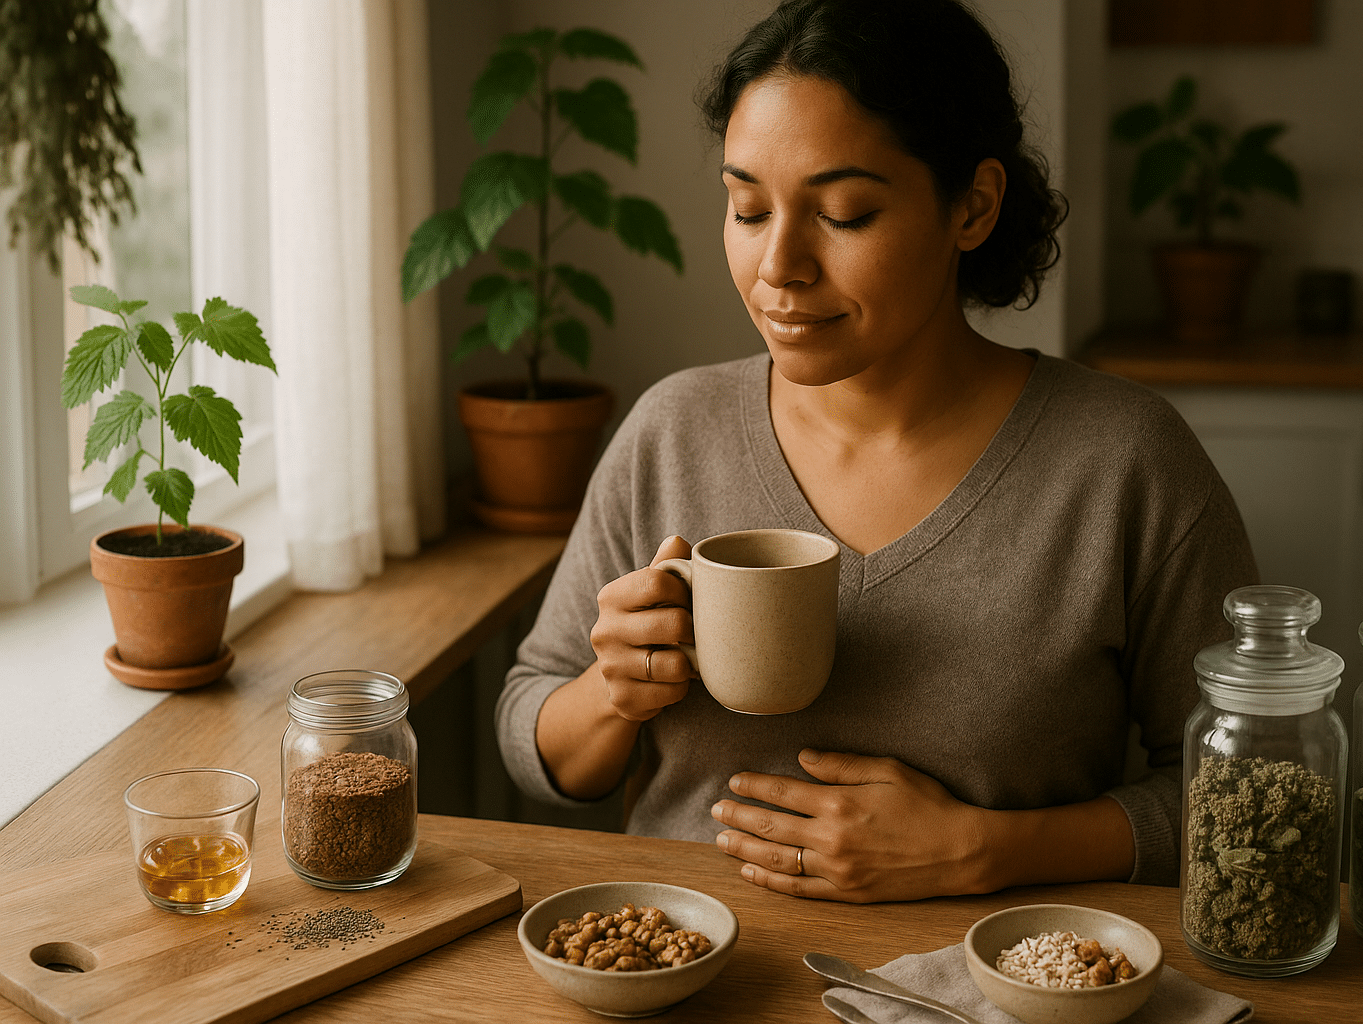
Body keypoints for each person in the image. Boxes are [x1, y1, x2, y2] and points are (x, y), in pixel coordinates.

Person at [497, 0, 1258, 903]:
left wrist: (989, 850)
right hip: (688, 974)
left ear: (972, 207)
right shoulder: (673, 429)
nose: (778, 264)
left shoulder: (1126, 460)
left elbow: (1244, 792)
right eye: (746, 207)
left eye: (846, 214)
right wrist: (612, 691)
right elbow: (531, 731)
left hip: (990, 985)